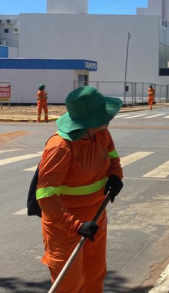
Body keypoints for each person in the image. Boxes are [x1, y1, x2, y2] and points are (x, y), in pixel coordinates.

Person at [36, 86, 124, 292]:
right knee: (69, 285)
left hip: (96, 217)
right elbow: (45, 195)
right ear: (89, 121)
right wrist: (75, 225)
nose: (108, 119)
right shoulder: (60, 147)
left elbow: (113, 157)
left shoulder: (102, 134)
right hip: (65, 227)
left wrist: (115, 175)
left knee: (95, 274)